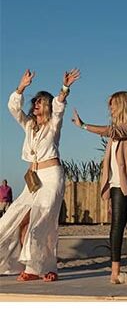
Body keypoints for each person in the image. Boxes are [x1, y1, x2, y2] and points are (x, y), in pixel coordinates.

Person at [0, 68, 80, 281]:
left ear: (47, 106)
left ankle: (42, 269)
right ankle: (30, 265)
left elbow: (59, 106)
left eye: (40, 101)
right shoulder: (28, 124)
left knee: (42, 222)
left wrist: (64, 87)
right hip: (33, 179)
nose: (35, 104)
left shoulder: (53, 124)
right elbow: (13, 107)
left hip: (51, 176)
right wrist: (21, 86)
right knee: (17, 219)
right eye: (34, 101)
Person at [72, 91, 127, 284]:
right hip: (117, 183)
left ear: (123, 105)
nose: (110, 109)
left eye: (113, 105)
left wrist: (84, 125)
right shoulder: (114, 134)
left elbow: (116, 132)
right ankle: (115, 272)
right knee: (117, 224)